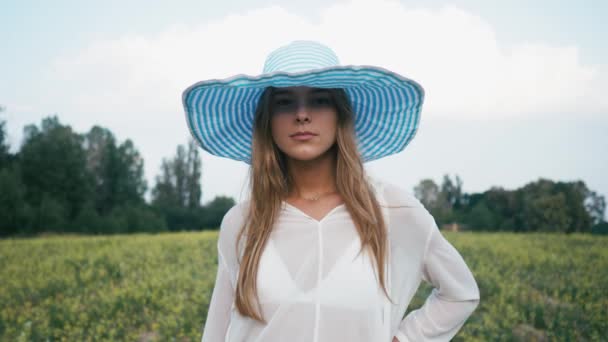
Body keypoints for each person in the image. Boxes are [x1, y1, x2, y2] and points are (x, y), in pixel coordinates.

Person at [182, 40, 480, 342]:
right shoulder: (242, 221)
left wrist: (404, 339)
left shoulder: (394, 212)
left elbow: (460, 294)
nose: (302, 114)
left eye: (319, 100)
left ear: (341, 114)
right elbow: (217, 330)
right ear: (267, 120)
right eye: (284, 102)